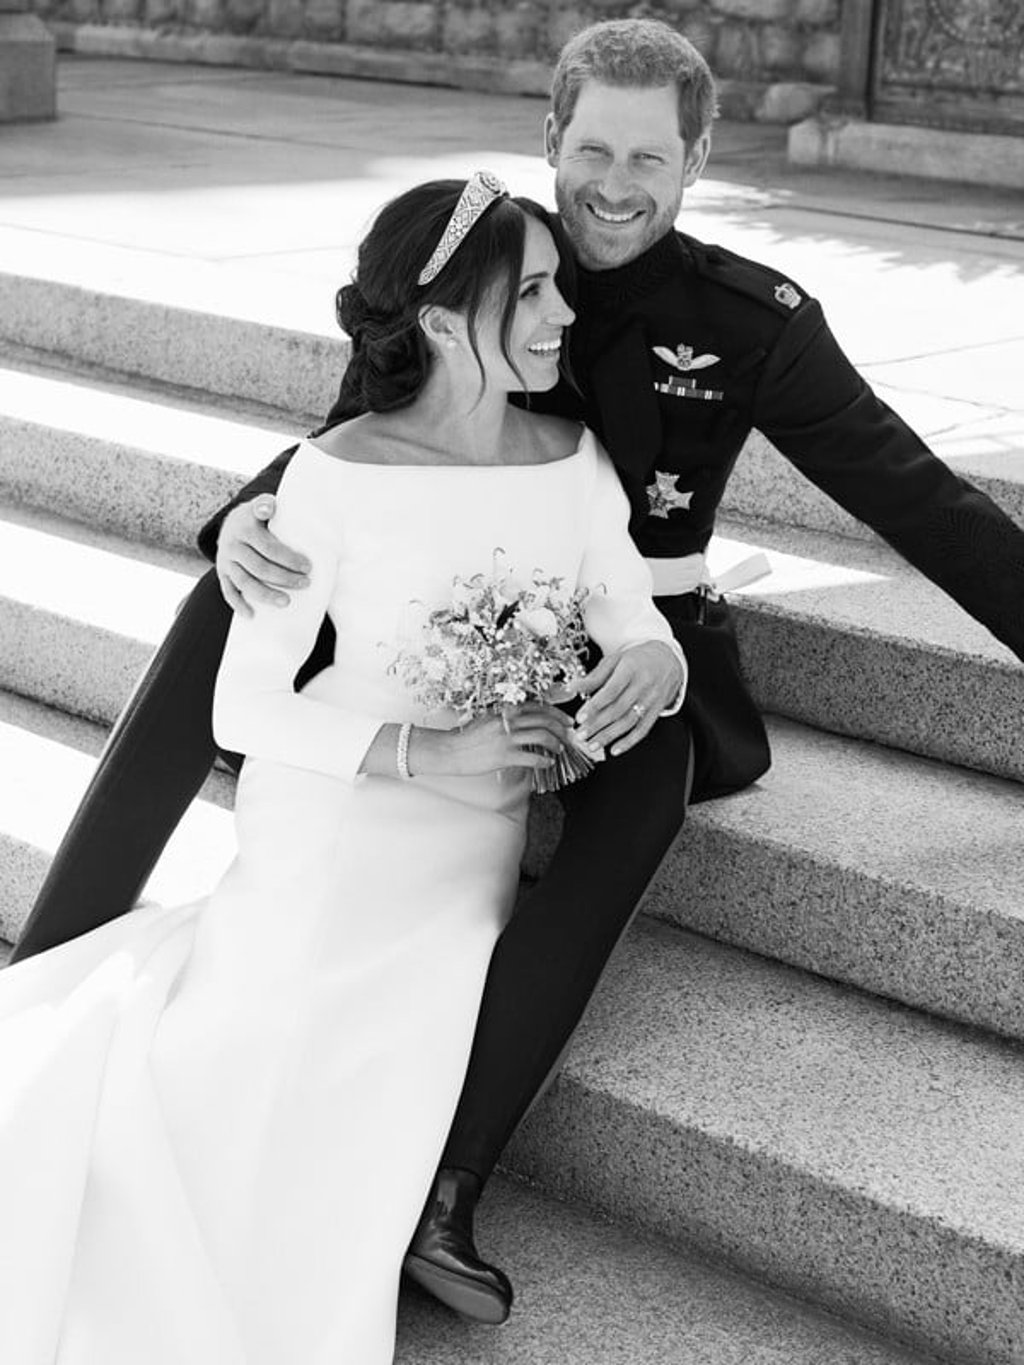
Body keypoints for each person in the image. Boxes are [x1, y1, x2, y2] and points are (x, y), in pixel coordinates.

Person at [13, 14, 1024, 1328]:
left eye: (648, 158)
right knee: (227, 601)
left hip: (627, 629)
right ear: (551, 138)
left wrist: (650, 660)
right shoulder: (487, 258)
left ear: (697, 161)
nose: (615, 186)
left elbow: (918, 497)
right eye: (592, 149)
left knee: (649, 776)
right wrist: (245, 520)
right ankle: (53, 958)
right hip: (443, 622)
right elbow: (367, 431)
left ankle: (448, 1187)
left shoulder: (747, 321)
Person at [0, 174, 684, 1363]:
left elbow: (629, 609)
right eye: (532, 292)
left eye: (557, 288)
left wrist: (653, 664)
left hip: (471, 838)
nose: (563, 314)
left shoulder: (573, 459)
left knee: (402, 1045)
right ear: (441, 321)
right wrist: (427, 746)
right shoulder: (332, 474)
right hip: (336, 812)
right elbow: (245, 703)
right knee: (254, 1068)